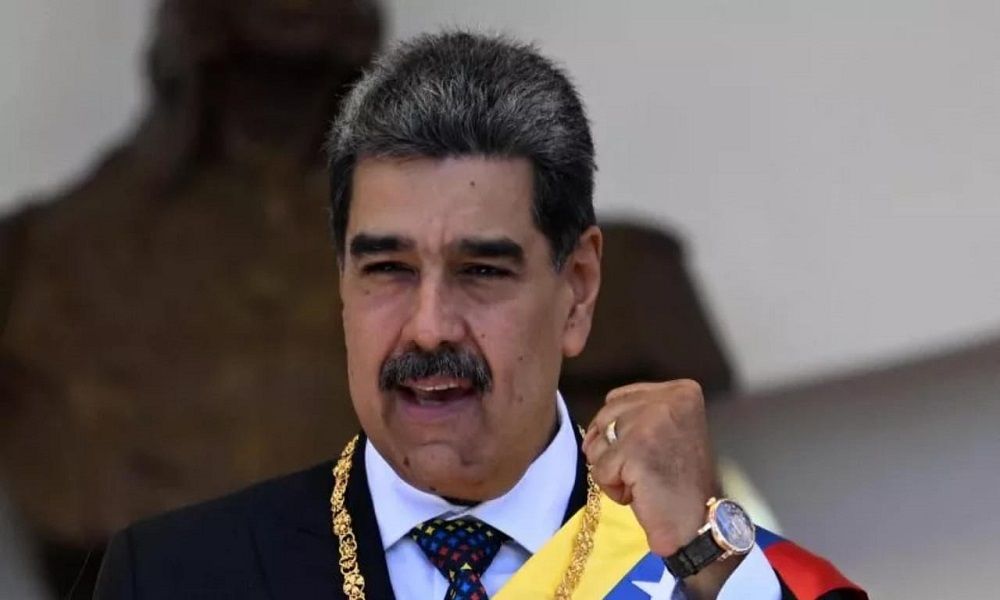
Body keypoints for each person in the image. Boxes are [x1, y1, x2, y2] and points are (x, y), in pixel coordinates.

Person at [94, 31, 866, 599]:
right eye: (387, 269)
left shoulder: (702, 571)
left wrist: (709, 565)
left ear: (578, 289)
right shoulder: (174, 578)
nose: (429, 326)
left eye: (481, 272)